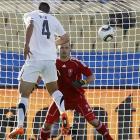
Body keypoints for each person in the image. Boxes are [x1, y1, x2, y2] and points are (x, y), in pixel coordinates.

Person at [8, 2, 69, 139]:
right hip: (49, 60)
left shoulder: (31, 15)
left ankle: (19, 126)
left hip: (34, 59)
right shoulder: (54, 19)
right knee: (54, 91)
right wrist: (52, 44)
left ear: (38, 9)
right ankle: (63, 113)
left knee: (23, 93)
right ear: (48, 11)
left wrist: (26, 44)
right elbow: (65, 38)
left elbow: (30, 26)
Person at [39, 42, 113, 140]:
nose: (64, 50)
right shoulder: (53, 63)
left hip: (76, 98)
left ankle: (109, 138)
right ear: (58, 49)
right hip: (59, 99)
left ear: (70, 49)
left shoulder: (76, 63)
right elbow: (41, 74)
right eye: (62, 48)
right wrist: (35, 83)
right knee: (47, 124)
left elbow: (91, 77)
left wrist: (82, 82)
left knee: (93, 121)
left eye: (66, 48)